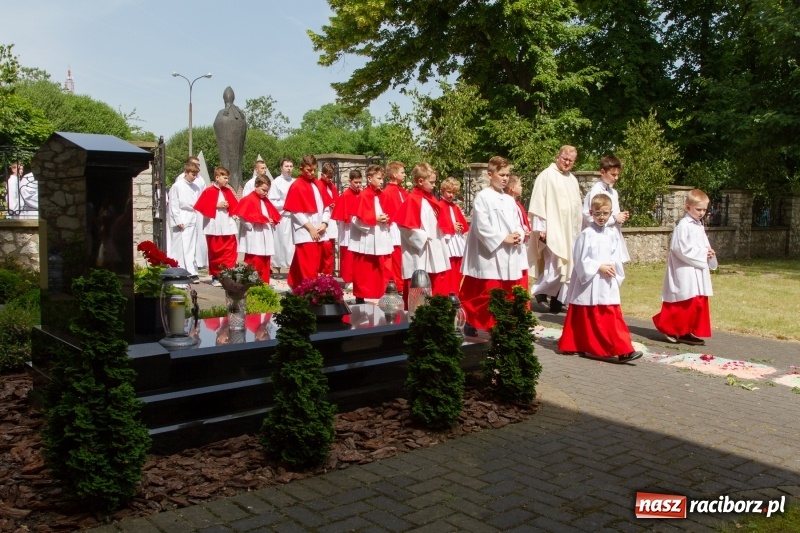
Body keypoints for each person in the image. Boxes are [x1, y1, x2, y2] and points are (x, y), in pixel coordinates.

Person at [558, 194, 643, 363]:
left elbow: (616, 255)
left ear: (611, 213)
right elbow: (580, 259)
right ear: (591, 213)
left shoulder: (612, 234)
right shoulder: (586, 234)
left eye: (605, 214)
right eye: (597, 214)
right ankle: (578, 344)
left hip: (606, 281)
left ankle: (622, 348)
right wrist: (599, 266)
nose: (601, 218)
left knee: (611, 315)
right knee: (586, 314)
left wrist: (613, 269)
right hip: (589, 282)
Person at [460, 156, 528, 331]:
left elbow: (517, 223)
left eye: (507, 175)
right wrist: (502, 238)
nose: (505, 178)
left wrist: (518, 235)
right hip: (489, 253)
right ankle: (473, 320)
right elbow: (481, 226)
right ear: (490, 175)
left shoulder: (509, 200)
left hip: (508, 252)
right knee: (488, 293)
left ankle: (500, 324)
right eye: (501, 174)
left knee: (506, 292)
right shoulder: (483, 197)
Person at [653, 189, 718, 346]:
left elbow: (702, 244)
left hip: (697, 270)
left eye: (704, 209)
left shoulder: (698, 225)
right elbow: (679, 248)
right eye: (698, 209)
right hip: (685, 269)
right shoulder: (683, 226)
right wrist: (702, 253)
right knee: (683, 300)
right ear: (688, 207)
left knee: (696, 301)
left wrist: (709, 253)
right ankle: (671, 328)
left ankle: (687, 330)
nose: (702, 213)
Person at [528, 145, 583, 314]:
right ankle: (540, 292)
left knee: (569, 266)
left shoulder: (572, 179)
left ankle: (558, 300)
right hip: (553, 229)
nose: (567, 163)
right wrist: (541, 228)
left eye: (570, 161)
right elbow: (539, 202)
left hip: (570, 231)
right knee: (554, 265)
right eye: (564, 159)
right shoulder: (546, 176)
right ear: (558, 157)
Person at [394, 162, 451, 303]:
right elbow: (404, 225)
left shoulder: (430, 198)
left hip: (434, 246)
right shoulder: (412, 199)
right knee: (419, 282)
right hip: (420, 250)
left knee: (436, 280)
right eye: (431, 182)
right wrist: (422, 237)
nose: (434, 185)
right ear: (420, 181)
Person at [283, 154, 334, 288]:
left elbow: (326, 207)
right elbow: (295, 211)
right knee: (309, 266)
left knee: (315, 263)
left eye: (314, 170)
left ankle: (296, 285)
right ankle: (309, 292)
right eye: (308, 170)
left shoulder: (318, 184)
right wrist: (310, 227)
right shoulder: (296, 186)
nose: (312, 173)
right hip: (305, 232)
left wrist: (324, 223)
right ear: (301, 169)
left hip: (320, 229)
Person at [350, 164, 393, 302]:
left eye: (383, 179)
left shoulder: (382, 195)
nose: (382, 181)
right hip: (367, 238)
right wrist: (374, 218)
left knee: (383, 268)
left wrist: (386, 218)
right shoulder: (363, 195)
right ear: (369, 178)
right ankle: (360, 297)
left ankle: (383, 294)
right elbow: (356, 218)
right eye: (379, 178)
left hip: (380, 235)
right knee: (364, 270)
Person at [194, 166, 239, 286]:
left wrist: (231, 209)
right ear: (217, 177)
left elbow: (235, 206)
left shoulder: (228, 191)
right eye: (225, 178)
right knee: (215, 251)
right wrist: (216, 205)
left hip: (227, 226)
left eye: (227, 178)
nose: (227, 180)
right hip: (214, 226)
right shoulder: (208, 191)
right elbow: (201, 207)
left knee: (229, 250)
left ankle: (227, 275)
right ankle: (216, 276)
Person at [231, 175, 281, 283]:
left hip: (265, 235)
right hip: (254, 236)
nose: (265, 193)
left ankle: (264, 284)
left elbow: (271, 215)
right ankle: (252, 286)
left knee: (265, 262)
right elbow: (242, 215)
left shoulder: (265, 201)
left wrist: (270, 220)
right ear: (256, 186)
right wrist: (253, 222)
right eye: (263, 190)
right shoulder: (248, 199)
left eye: (267, 191)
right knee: (254, 263)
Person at [582, 155, 630, 262]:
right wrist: (615, 219)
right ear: (602, 172)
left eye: (617, 175)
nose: (616, 178)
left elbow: (614, 213)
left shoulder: (613, 192)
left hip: (612, 235)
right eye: (613, 174)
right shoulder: (595, 191)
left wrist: (621, 216)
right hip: (599, 238)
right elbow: (590, 218)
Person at [171, 155, 208, 270]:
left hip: (193, 215)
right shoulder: (177, 185)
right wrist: (178, 220)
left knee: (191, 245)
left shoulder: (196, 186)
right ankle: (179, 268)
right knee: (181, 245)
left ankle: (191, 269)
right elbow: (174, 204)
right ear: (186, 172)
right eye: (192, 175)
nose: (194, 178)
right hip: (182, 215)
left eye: (196, 175)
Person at [331, 169, 363, 286]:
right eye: (356, 182)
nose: (358, 185)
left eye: (360, 182)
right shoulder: (345, 195)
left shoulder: (361, 194)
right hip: (347, 228)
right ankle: (348, 279)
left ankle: (357, 277)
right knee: (348, 255)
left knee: (357, 255)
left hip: (358, 227)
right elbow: (341, 214)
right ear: (350, 181)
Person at [439, 177, 469, 295]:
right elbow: (439, 224)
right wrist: (452, 226)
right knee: (449, 271)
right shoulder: (439, 205)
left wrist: (459, 226)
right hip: (447, 241)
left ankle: (455, 292)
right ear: (442, 191)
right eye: (449, 192)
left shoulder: (455, 207)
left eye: (454, 193)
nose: (451, 195)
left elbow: (463, 224)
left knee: (458, 270)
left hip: (456, 240)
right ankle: (447, 293)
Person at [382, 161, 409, 290]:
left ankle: (402, 283)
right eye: (402, 172)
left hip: (403, 227)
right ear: (394, 174)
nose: (404, 175)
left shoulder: (402, 190)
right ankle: (398, 285)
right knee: (397, 258)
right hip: (394, 228)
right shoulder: (387, 192)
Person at [268, 158, 296, 277]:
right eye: (286, 166)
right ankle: (276, 268)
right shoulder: (276, 183)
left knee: (292, 244)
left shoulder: (295, 182)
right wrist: (285, 205)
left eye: (291, 166)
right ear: (281, 167)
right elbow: (272, 201)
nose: (289, 168)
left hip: (294, 216)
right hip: (282, 217)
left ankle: (293, 269)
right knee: (279, 242)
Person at [505, 174, 532, 288]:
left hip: (520, 242)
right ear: (512, 188)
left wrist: (525, 228)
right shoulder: (508, 203)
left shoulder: (517, 204)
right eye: (519, 185)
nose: (521, 188)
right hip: (514, 242)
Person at [319, 162, 339, 276]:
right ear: (322, 174)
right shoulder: (318, 185)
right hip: (322, 219)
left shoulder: (332, 186)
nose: (330, 179)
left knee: (330, 249)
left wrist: (335, 204)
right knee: (324, 249)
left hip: (331, 220)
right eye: (328, 177)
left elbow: (337, 200)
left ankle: (328, 273)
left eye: (332, 177)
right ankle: (322, 272)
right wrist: (328, 203)